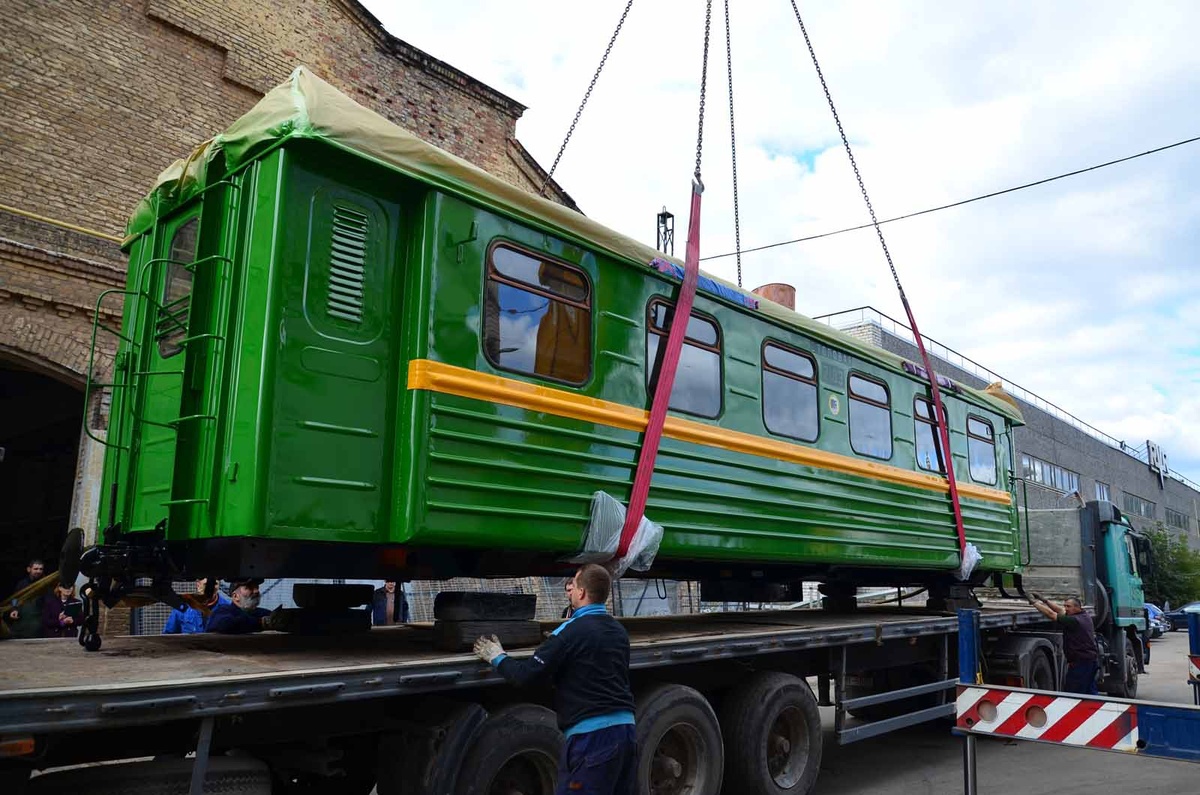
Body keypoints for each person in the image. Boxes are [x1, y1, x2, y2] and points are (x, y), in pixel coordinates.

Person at [474, 564, 636, 795]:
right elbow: (594, 666)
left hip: (593, 740)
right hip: (626, 733)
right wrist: (562, 649)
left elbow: (525, 676)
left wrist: (497, 656)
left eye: (573, 584)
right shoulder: (619, 631)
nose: (568, 588)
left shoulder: (569, 632)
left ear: (582, 592)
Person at [1029, 593, 1099, 694]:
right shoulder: (1084, 616)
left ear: (1077, 607)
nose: (1066, 608)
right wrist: (1044, 600)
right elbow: (1060, 610)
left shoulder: (1074, 620)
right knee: (1089, 690)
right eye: (1065, 606)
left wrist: (1034, 603)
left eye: (1068, 606)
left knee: (1074, 692)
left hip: (1081, 663)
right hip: (1089, 661)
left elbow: (1051, 614)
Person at [207, 578, 274, 634]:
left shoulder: (263, 613)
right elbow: (225, 625)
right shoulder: (222, 612)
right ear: (236, 596)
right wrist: (262, 622)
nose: (256, 591)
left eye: (257, 587)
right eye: (249, 587)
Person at [163, 579, 230, 634]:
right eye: (206, 584)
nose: (211, 588)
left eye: (215, 584)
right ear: (198, 585)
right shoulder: (184, 606)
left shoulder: (228, 608)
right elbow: (168, 635)